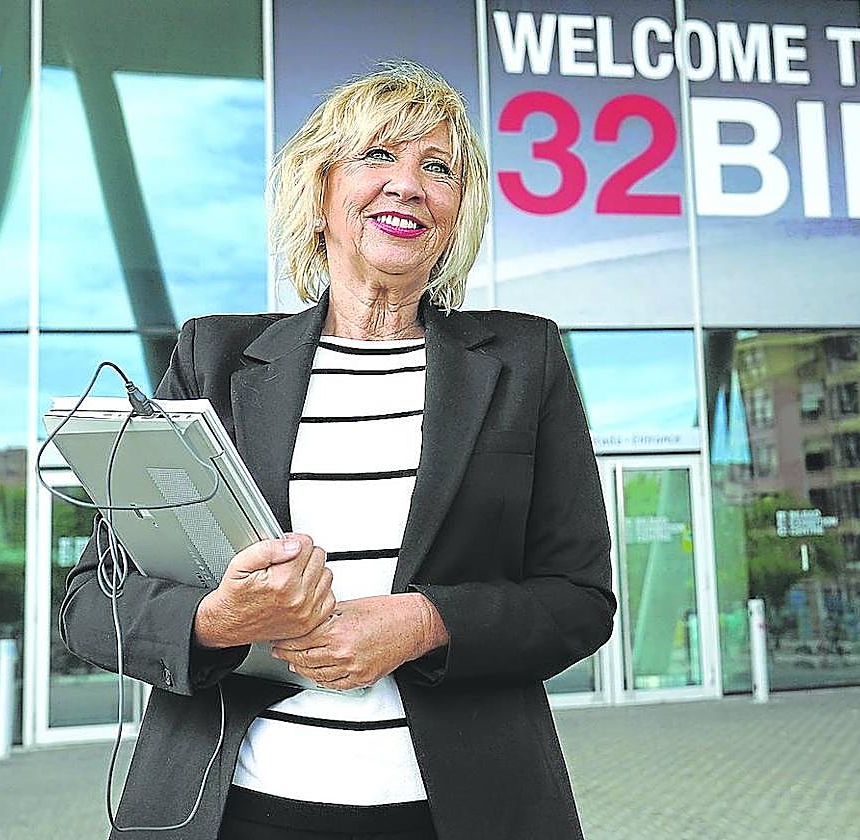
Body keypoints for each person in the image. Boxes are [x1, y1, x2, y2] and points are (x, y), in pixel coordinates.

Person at [60, 60, 615, 840]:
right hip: (232, 812)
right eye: (377, 155)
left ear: (458, 211)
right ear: (320, 192)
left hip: (462, 812)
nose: (408, 185)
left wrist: (425, 622)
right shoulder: (214, 360)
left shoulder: (525, 362)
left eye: (438, 168)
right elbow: (94, 601)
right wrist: (218, 618)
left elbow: (579, 600)